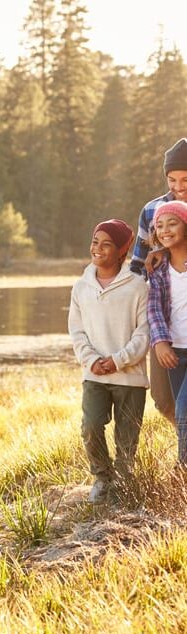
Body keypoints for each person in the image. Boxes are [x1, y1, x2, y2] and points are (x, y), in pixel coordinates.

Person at [68, 219, 149, 504]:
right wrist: (92, 361)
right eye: (94, 242)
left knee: (127, 439)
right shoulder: (81, 287)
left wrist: (118, 360)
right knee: (90, 425)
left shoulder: (138, 286)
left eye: (106, 244)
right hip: (94, 375)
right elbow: (76, 331)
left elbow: (144, 333)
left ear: (121, 251)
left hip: (130, 377)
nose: (98, 249)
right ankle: (103, 478)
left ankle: (125, 485)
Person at [130, 137, 187, 424]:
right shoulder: (152, 211)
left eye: (186, 179)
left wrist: (168, 251)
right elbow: (138, 267)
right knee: (164, 399)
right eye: (172, 179)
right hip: (163, 320)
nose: (178, 187)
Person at [147, 200, 187, 468]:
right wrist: (160, 342)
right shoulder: (159, 268)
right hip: (175, 351)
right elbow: (154, 308)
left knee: (184, 412)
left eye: (172, 223)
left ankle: (182, 470)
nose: (165, 229)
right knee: (177, 409)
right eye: (159, 225)